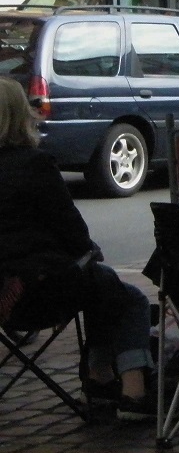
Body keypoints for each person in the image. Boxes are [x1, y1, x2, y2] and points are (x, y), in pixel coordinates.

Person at [0, 77, 156, 420]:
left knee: (99, 284)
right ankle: (132, 391)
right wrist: (87, 251)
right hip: (41, 292)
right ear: (18, 116)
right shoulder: (34, 166)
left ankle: (100, 379)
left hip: (5, 299)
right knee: (126, 297)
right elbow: (75, 235)